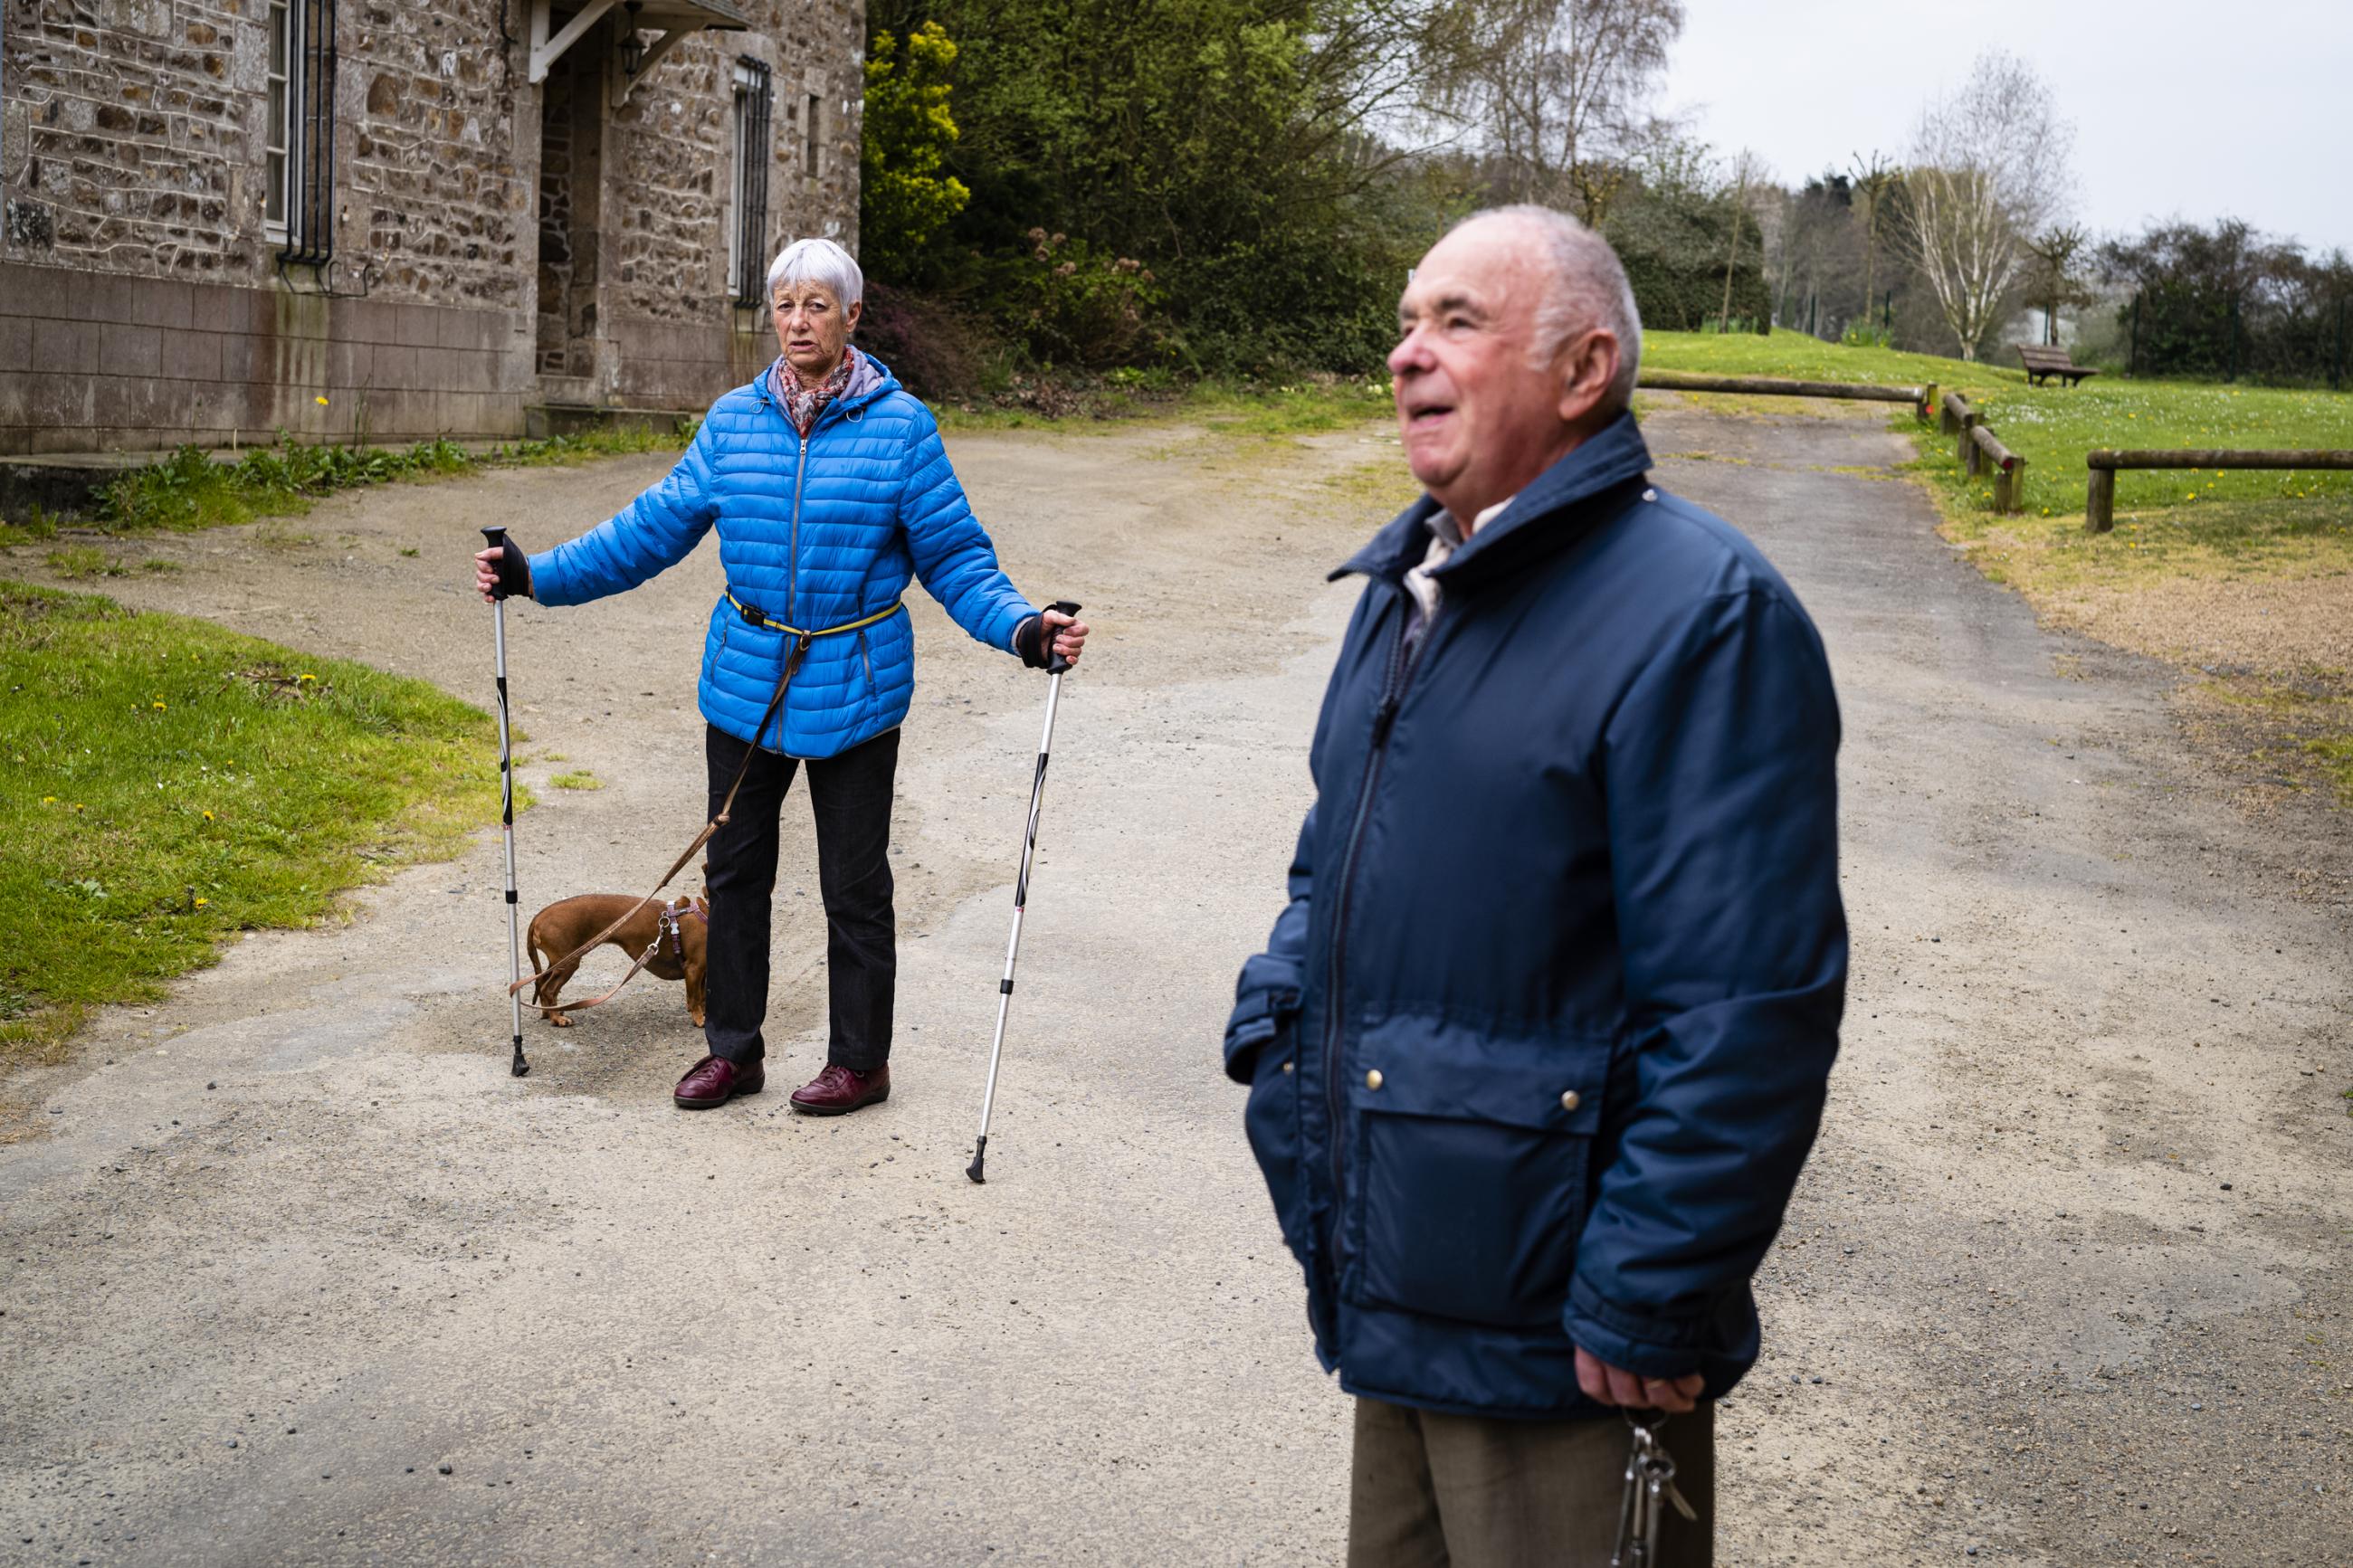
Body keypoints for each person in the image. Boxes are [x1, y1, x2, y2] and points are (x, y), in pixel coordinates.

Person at [1224, 206, 1846, 1566]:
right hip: (1403, 1282)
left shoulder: (1703, 616)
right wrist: (1274, 1038)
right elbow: (1331, 864)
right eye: (1405, 321)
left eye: (1457, 321)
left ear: (1584, 370)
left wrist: (1647, 1292)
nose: (1407, 353)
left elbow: (1745, 1007)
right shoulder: (1408, 583)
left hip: (1569, 1345)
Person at [476, 237, 1086, 1116]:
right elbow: (647, 529)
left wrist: (1024, 629)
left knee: (855, 888)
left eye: (817, 305)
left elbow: (956, 559)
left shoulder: (902, 429)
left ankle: (859, 1063)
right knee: (734, 879)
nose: (798, 321)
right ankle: (733, 1051)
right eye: (786, 304)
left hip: (855, 688)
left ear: (851, 316)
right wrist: (537, 575)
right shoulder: (733, 422)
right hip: (746, 683)